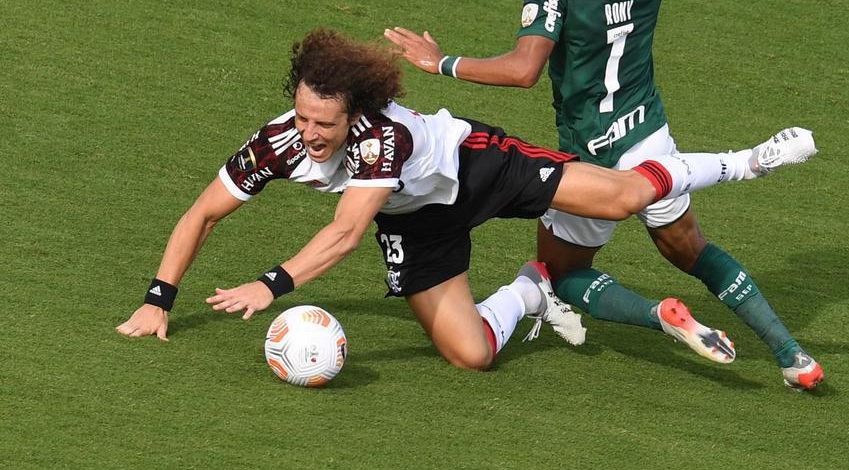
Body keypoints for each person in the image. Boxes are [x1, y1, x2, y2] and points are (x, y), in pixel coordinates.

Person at [385, 0, 824, 389]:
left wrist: (439, 62)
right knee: (691, 249)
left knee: (559, 274)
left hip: (588, 155)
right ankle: (794, 356)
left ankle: (656, 313)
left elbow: (523, 70)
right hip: (650, 138)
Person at [116, 28, 744, 371]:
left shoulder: (381, 136)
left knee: (618, 198)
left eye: (324, 125)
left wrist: (269, 286)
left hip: (476, 167)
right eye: (303, 117)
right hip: (416, 222)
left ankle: (746, 161)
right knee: (469, 355)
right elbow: (203, 212)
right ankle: (534, 288)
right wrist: (158, 300)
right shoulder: (280, 141)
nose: (310, 134)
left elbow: (345, 233)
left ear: (354, 114)